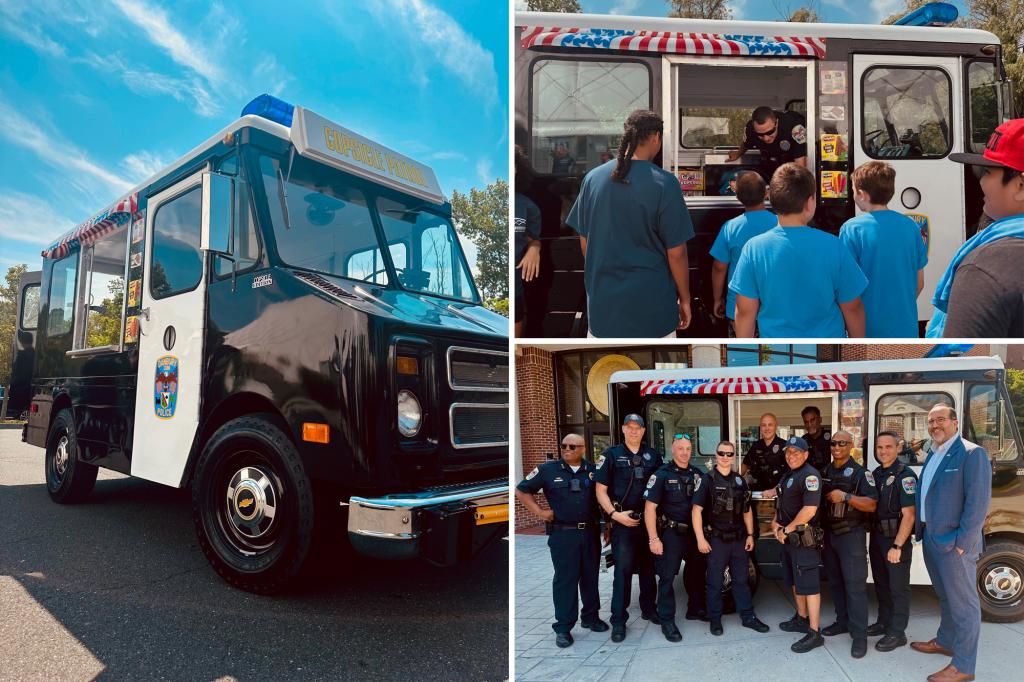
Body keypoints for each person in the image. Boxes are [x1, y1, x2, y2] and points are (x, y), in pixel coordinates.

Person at [566, 109, 695, 338]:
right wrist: (684, 299)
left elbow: (585, 244)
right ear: (656, 137)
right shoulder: (665, 184)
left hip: (603, 313)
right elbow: (677, 253)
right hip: (653, 313)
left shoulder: (592, 179)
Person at [730, 163, 867, 338]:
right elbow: (853, 307)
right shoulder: (834, 245)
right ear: (810, 202)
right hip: (829, 353)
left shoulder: (753, 249)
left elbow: (744, 312)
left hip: (776, 353)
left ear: (771, 198)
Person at [911, 405, 992, 682]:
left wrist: (962, 544)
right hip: (932, 539)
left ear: (955, 422)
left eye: (940, 419)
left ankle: (964, 666)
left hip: (954, 544)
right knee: (945, 597)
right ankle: (946, 641)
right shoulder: (934, 453)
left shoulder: (971, 453)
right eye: (931, 421)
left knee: (965, 605)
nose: (935, 425)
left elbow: (978, 504)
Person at [930, 119, 1024, 337]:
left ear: (1020, 185)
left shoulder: (985, 269)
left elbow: (955, 362)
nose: (980, 182)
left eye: (987, 173)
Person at [515, 435, 607, 648]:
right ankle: (564, 627)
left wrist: (608, 525)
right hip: (563, 534)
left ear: (583, 448)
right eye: (563, 446)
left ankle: (590, 617)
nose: (566, 449)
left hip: (590, 532)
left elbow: (603, 499)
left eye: (572, 446)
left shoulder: (594, 471)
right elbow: (521, 490)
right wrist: (539, 512)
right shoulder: (548, 470)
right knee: (566, 580)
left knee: (590, 577)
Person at [839, 161, 928, 337]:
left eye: (853, 190)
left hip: (867, 329)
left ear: (862, 194)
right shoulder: (911, 227)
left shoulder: (851, 229)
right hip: (906, 328)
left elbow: (847, 289)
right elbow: (919, 284)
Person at [595, 413, 663, 642]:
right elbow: (600, 491)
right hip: (623, 522)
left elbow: (660, 487)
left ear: (644, 431)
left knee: (648, 568)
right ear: (623, 429)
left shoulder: (653, 456)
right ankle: (618, 620)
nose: (634, 431)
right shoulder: (611, 455)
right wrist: (614, 515)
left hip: (648, 522)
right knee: (622, 572)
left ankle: (648, 608)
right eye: (630, 427)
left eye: (638, 427)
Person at [692, 440, 770, 636]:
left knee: (741, 580)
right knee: (715, 582)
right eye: (722, 453)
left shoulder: (739, 481)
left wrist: (750, 535)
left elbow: (746, 511)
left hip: (738, 539)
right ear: (716, 455)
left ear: (734, 457)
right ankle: (715, 619)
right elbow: (696, 511)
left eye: (729, 454)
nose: (725, 457)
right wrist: (700, 539)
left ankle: (748, 616)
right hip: (716, 540)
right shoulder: (707, 479)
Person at [820, 430, 879, 659]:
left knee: (855, 587)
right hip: (830, 536)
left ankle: (860, 636)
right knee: (835, 583)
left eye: (842, 443)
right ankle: (842, 622)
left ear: (851, 445)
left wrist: (845, 497)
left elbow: (872, 504)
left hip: (851, 537)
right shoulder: (824, 472)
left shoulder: (861, 473)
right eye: (834, 443)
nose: (836, 447)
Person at [643, 434, 708, 642]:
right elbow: (649, 508)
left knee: (696, 572)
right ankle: (667, 620)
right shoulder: (662, 474)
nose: (685, 452)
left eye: (688, 448)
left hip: (692, 533)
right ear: (673, 449)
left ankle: (695, 608)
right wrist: (654, 539)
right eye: (681, 448)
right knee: (667, 577)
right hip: (671, 534)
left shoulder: (697, 474)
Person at [772, 436, 825, 653]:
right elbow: (782, 502)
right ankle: (801, 618)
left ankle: (814, 632)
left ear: (805, 454)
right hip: (789, 539)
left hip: (804, 539)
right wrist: (776, 522)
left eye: (795, 452)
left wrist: (787, 529)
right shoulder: (788, 475)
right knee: (795, 580)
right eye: (788, 452)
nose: (790, 456)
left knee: (810, 585)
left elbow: (809, 510)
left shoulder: (810, 475)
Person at [709, 171, 777, 335]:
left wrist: (718, 298)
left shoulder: (730, 227)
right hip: (775, 305)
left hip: (738, 306)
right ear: (766, 193)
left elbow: (719, 267)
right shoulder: (779, 223)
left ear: (738, 197)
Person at [868, 430, 918, 653]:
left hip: (895, 539)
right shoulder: (876, 473)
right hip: (877, 538)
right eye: (879, 447)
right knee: (881, 585)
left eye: (888, 447)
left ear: (899, 448)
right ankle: (884, 622)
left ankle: (898, 633)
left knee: (898, 588)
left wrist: (897, 545)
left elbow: (910, 515)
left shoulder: (905, 475)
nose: (883, 451)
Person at [726, 106, 808, 176]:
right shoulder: (750, 129)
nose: (766, 138)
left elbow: (801, 166)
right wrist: (738, 154)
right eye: (760, 135)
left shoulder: (795, 127)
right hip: (771, 160)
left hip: (794, 158)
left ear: (777, 123)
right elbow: (747, 143)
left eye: (770, 132)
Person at [514, 146, 542, 337]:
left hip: (516, 290)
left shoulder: (527, 206)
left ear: (518, 168)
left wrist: (534, 248)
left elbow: (533, 239)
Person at [741, 412, 788, 497]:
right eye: (763, 425)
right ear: (760, 427)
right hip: (758, 494)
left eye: (770, 425)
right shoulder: (756, 446)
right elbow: (744, 465)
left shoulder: (784, 446)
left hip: (779, 495)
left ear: (776, 426)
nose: (767, 428)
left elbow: (791, 472)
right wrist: (733, 480)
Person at [801, 405, 831, 471]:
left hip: (830, 478)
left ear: (820, 420)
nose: (809, 425)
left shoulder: (831, 436)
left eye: (812, 420)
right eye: (806, 422)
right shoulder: (803, 441)